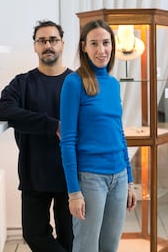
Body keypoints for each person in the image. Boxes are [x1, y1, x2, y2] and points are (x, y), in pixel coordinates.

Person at [0, 20, 73, 252]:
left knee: (70, 239)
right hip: (34, 172)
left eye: (53, 40)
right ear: (35, 46)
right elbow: (3, 110)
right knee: (34, 234)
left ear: (62, 44)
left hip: (70, 174)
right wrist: (53, 125)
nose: (48, 45)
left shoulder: (76, 82)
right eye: (42, 40)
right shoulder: (22, 83)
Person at [60, 19, 137, 252]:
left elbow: (119, 134)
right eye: (94, 43)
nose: (101, 50)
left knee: (110, 247)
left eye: (105, 43)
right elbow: (67, 140)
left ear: (112, 46)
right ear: (84, 47)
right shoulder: (74, 83)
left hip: (119, 178)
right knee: (87, 247)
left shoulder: (113, 84)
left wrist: (130, 180)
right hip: (91, 178)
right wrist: (74, 192)